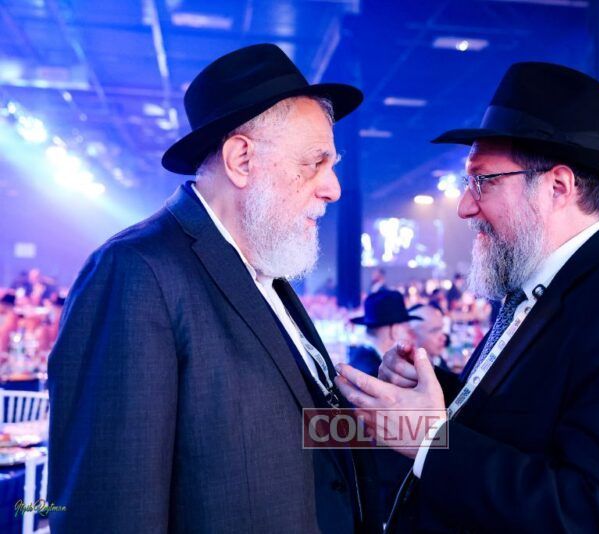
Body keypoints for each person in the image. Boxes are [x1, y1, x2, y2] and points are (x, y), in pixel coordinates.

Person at [336, 62, 599, 532]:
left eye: (483, 181)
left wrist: (430, 439)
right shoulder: (536, 290)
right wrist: (431, 394)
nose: (464, 206)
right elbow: (520, 424)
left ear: (557, 187)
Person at [48, 44, 372, 533]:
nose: (334, 188)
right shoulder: (136, 272)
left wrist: (409, 426)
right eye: (315, 163)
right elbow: (110, 505)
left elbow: (298, 433)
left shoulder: (263, 270)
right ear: (241, 159)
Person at [348, 289, 421, 377]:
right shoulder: (378, 374)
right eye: (409, 331)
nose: (414, 337)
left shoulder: (360, 359)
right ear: (395, 331)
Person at [407, 303, 451, 372]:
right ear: (412, 335)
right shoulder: (411, 371)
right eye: (434, 331)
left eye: (441, 329)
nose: (444, 338)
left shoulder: (437, 360)